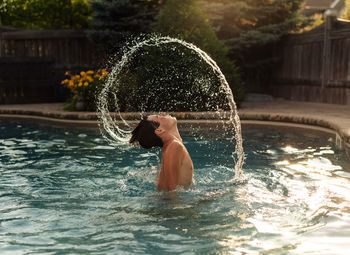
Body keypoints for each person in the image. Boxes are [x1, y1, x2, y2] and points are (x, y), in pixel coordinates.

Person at [129, 113, 193, 191]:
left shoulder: (172, 146)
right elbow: (173, 192)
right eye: (158, 117)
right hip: (166, 201)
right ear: (159, 130)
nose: (163, 114)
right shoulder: (174, 146)